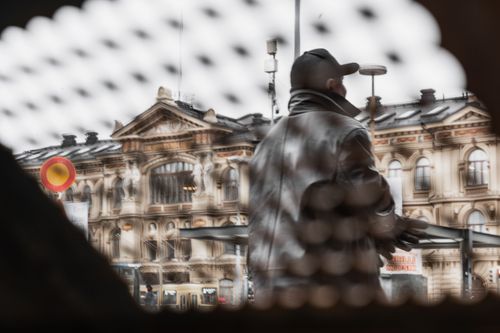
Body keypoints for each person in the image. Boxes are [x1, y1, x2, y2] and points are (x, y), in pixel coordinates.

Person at [248, 48, 427, 303]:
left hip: (268, 282)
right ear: (332, 86)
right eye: (342, 84)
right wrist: (392, 225)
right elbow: (369, 193)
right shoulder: (344, 130)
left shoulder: (266, 144)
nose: (345, 90)